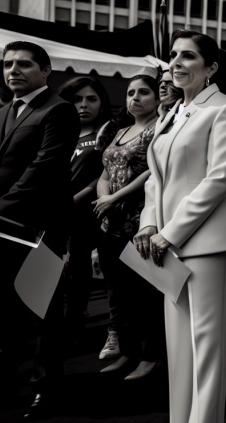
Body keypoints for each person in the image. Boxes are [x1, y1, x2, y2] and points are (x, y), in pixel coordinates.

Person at [133, 30, 226, 423]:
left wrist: (170, 232)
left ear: (211, 67)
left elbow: (219, 179)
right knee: (178, 347)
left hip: (207, 242)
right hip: (166, 242)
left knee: (206, 347)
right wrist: (149, 225)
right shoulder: (171, 113)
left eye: (188, 56)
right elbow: (154, 178)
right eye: (173, 56)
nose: (177, 62)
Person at [0, 41, 80, 420]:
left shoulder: (59, 110)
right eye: (7, 64)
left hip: (40, 228)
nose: (13, 70)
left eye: (24, 64)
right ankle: (0, 387)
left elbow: (43, 168)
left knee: (42, 313)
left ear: (46, 71)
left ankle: (47, 391)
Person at [92, 75, 163, 380]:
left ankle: (151, 357)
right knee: (119, 295)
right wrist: (104, 198)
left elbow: (152, 173)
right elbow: (105, 173)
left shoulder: (158, 130)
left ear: (158, 98)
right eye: (131, 92)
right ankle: (128, 352)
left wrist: (115, 198)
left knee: (146, 296)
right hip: (111, 224)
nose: (136, 98)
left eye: (144, 92)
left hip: (140, 223)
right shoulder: (120, 131)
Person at [55, 76, 117, 353]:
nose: (83, 105)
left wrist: (72, 201)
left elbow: (102, 177)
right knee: (54, 277)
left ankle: (74, 330)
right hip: (53, 216)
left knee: (78, 275)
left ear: (102, 102)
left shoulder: (107, 133)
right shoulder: (57, 133)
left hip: (87, 217)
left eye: (91, 99)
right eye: (76, 99)